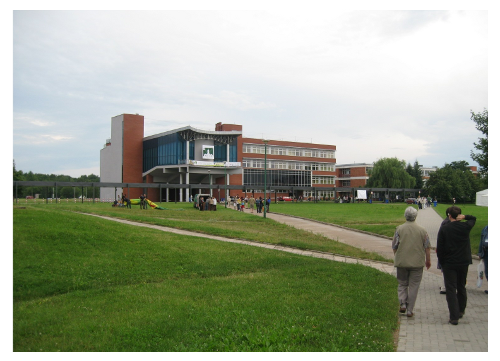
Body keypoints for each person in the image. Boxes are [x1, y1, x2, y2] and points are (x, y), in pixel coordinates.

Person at [437, 206, 476, 325]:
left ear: (449, 216)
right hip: (463, 261)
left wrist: (442, 261)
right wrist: (465, 217)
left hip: (449, 262)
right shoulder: (465, 227)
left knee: (451, 289)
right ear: (459, 216)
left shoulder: (445, 228)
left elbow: (440, 247)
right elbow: (473, 219)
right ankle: (461, 310)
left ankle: (454, 317)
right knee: (461, 286)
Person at [392, 206, 431, 318]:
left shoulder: (399, 229)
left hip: (402, 262)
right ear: (416, 216)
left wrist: (397, 256)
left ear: (405, 216)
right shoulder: (422, 230)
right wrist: (428, 260)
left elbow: (394, 245)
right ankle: (410, 310)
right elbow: (427, 247)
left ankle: (403, 303)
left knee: (402, 283)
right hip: (417, 262)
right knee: (414, 286)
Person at [437, 208, 465, 294]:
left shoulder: (445, 223)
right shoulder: (459, 225)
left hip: (447, 252)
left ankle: (446, 286)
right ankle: (447, 286)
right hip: (456, 252)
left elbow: (440, 237)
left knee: (446, 270)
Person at [477, 225, 488, 294]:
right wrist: (480, 252)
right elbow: (481, 241)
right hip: (486, 252)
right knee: (487, 271)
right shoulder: (485, 229)